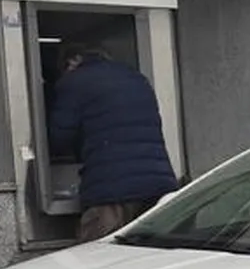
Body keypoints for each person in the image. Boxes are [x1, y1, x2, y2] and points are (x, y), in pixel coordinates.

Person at [47, 42, 179, 242]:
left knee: (100, 259)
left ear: (73, 61)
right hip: (157, 186)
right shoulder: (137, 78)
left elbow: (58, 137)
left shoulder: (74, 81)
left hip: (111, 190)